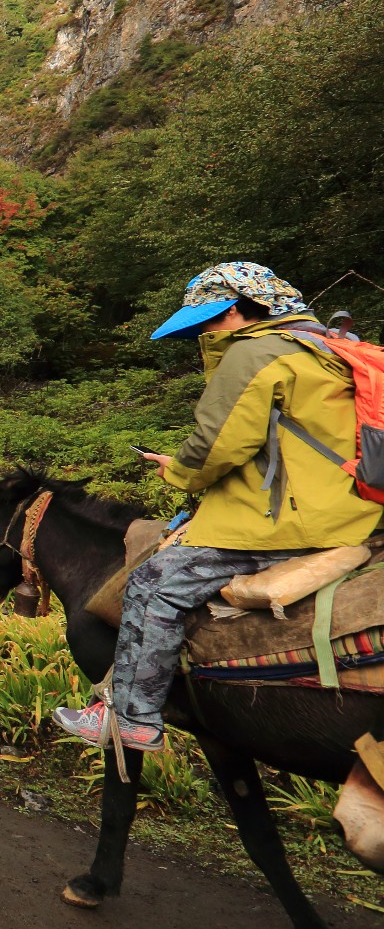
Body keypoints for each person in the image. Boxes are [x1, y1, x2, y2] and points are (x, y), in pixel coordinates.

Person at [54, 262, 381, 752]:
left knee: (153, 582)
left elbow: (216, 443)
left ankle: (133, 719)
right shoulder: (327, 347)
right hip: (353, 511)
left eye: (205, 320)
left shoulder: (254, 353)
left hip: (291, 524)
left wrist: (179, 472)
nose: (202, 332)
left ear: (233, 310)